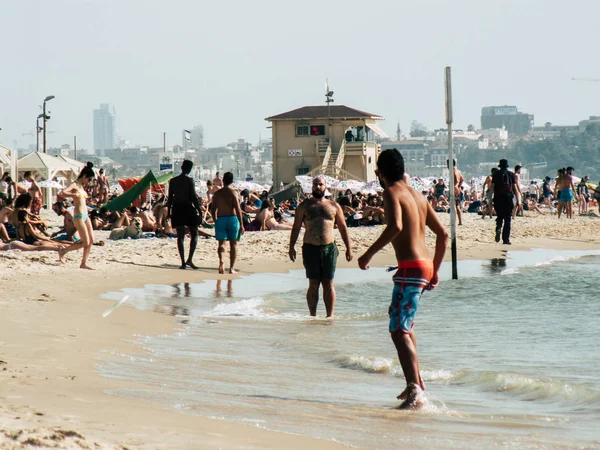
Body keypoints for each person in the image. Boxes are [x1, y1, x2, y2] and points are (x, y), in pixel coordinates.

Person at [357, 148, 447, 410]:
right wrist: (436, 270)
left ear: (382, 173)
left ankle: (414, 392)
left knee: (398, 330)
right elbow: (442, 235)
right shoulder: (418, 195)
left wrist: (368, 255)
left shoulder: (391, 192)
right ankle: (416, 382)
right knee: (404, 324)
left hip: (410, 268)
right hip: (424, 266)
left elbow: (395, 226)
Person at [289, 176, 353, 318]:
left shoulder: (334, 206)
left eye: (320, 184)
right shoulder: (304, 206)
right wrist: (291, 247)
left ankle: (329, 316)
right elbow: (296, 228)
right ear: (311, 187)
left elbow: (343, 228)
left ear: (326, 187)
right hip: (310, 248)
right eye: (315, 184)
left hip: (329, 248)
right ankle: (312, 316)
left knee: (328, 282)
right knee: (313, 283)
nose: (317, 187)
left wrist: (349, 248)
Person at [57, 162, 96, 268]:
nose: (89, 182)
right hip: (78, 216)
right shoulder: (74, 185)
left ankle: (83, 263)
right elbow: (61, 193)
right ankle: (63, 251)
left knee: (91, 240)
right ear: (84, 177)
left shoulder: (81, 186)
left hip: (85, 215)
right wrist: (73, 194)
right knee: (85, 241)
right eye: (89, 179)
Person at [167, 160, 202, 270]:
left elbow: (170, 198)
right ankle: (190, 259)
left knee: (180, 236)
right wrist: (199, 211)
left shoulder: (172, 181)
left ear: (182, 167)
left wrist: (169, 212)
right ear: (189, 169)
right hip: (187, 208)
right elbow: (193, 197)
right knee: (194, 233)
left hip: (177, 209)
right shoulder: (189, 180)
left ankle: (182, 262)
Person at [210, 171, 244, 274]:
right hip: (232, 219)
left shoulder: (217, 194)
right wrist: (241, 224)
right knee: (233, 244)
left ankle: (221, 261)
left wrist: (215, 219)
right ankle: (232, 268)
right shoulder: (233, 193)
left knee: (221, 244)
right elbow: (238, 209)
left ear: (223, 180)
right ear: (232, 181)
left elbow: (213, 209)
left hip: (220, 219)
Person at [491, 159, 518, 245]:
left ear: (500, 166)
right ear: (507, 166)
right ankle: (506, 239)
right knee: (507, 219)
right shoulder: (511, 174)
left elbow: (492, 187)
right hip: (508, 198)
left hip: (498, 198)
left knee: (500, 216)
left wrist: (489, 199)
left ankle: (499, 227)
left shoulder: (496, 174)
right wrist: (518, 200)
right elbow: (515, 188)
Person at [447, 159, 464, 225]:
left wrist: (455, 187)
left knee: (453, 205)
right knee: (456, 206)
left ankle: (453, 221)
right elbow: (462, 180)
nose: (447, 166)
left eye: (447, 164)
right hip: (457, 190)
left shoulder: (453, 171)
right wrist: (459, 187)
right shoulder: (458, 171)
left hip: (454, 190)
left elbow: (457, 181)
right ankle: (460, 222)